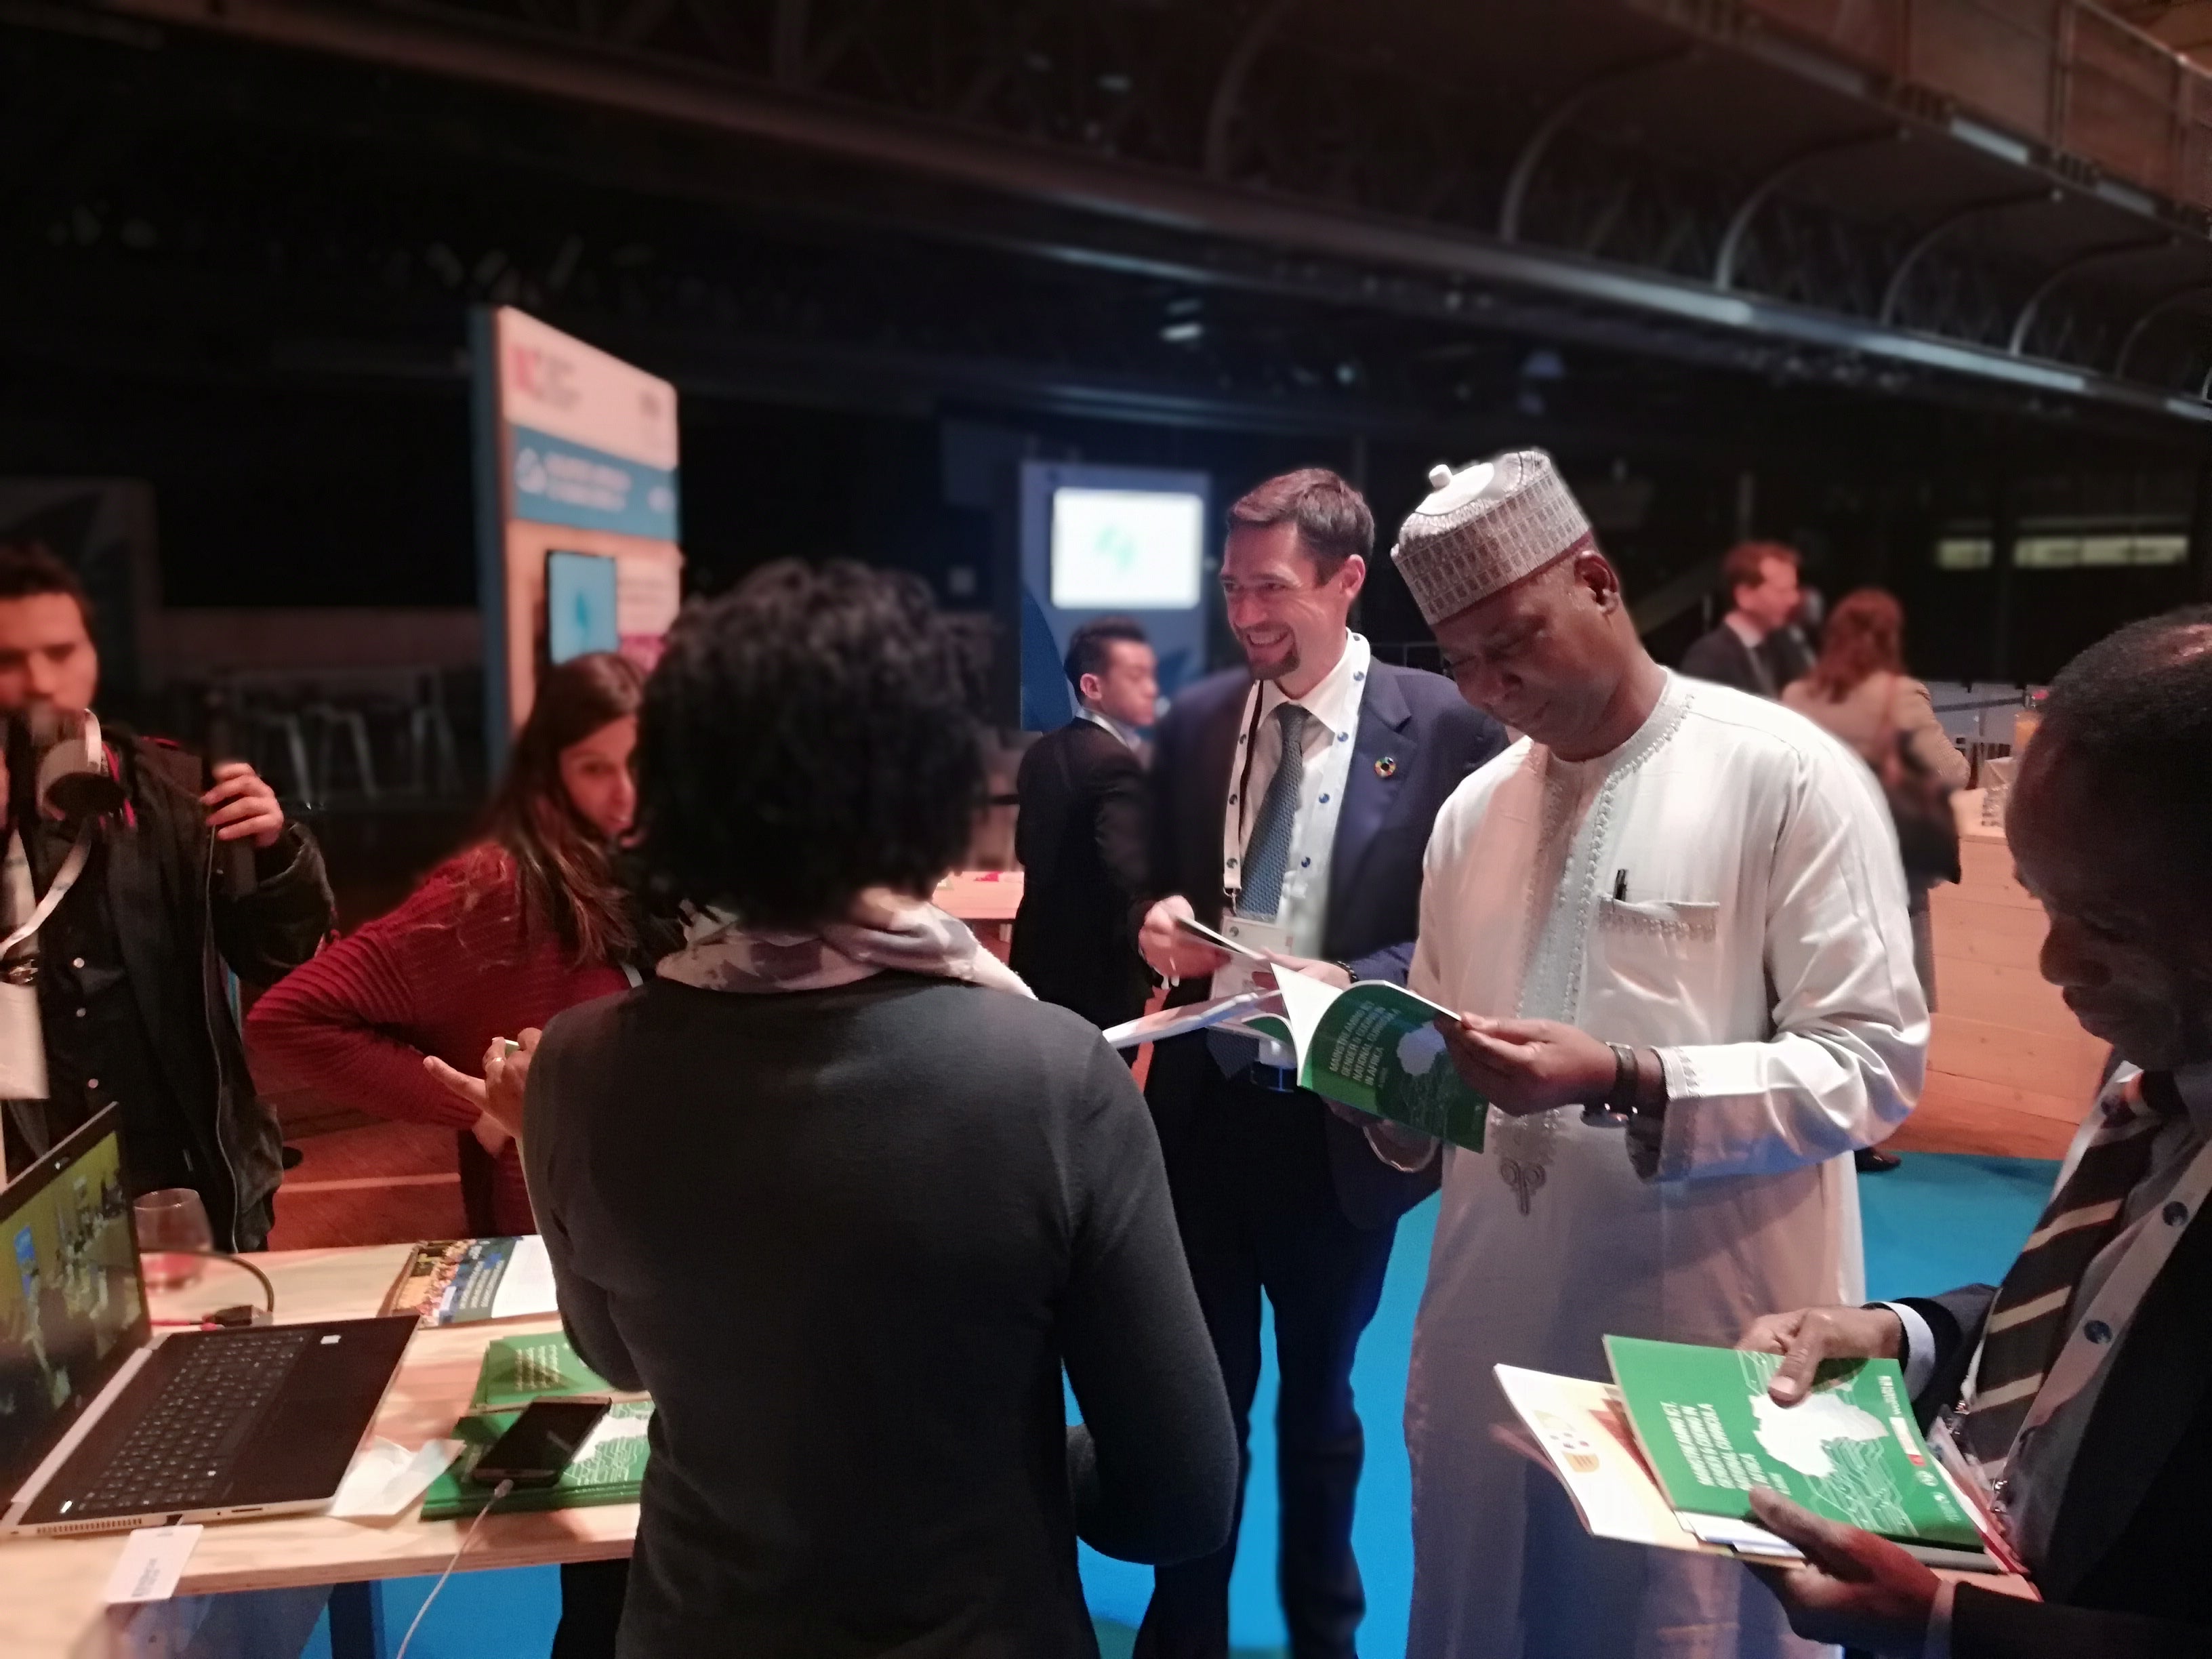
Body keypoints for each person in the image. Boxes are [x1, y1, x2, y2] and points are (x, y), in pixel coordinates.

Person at [499, 560, 1235, 1658]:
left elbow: (615, 1358)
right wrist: (1026, 1463)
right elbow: (1178, 1493)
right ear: (925, 792)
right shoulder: (1050, 1075)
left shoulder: (575, 1067)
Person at [1373, 451, 1926, 1659]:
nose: (1490, 683)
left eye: (1509, 641)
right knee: (1482, 1613)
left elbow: (1874, 1064)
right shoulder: (1471, 809)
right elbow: (1437, 1044)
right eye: (1458, 661)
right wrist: (1366, 1067)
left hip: (1701, 1341)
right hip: (1484, 1329)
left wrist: (1628, 1074)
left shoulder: (1781, 772)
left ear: (1598, 580)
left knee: (1674, 1626)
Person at [1738, 607, 2212, 1658]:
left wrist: (1950, 1628)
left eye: (2111, 926)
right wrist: (1906, 1338)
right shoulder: (2162, 1059)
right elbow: (2121, 1319)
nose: (2051, 966)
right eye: (2044, 901)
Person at [1133, 468, 1507, 1659]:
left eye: (1272, 588)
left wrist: (1362, 976)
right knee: (1200, 1398)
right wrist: (1156, 918)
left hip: (1339, 1116)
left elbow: (1476, 921)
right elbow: (1155, 882)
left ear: (1348, 581)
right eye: (1231, 586)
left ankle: (1322, 1630)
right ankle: (1180, 1628)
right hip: (1202, 1111)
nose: (1246, 614)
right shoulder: (1196, 720)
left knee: (1319, 1403)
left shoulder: (1443, 725)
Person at [0, 541, 331, 1249]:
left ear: (93, 652)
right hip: (27, 1182)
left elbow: (282, 956)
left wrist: (275, 853)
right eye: (9, 660)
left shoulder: (176, 789)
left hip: (181, 1175)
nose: (40, 680)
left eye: (61, 652)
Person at [247, 652, 645, 1238]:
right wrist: (482, 1109)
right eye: (594, 768)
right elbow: (290, 1017)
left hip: (674, 1224)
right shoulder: (503, 890)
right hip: (565, 1245)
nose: (626, 795)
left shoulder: (672, 876)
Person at [1783, 588, 1968, 1006]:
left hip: (1817, 858)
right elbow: (1951, 772)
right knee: (1901, 998)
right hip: (1893, 863)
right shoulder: (1900, 694)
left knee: (1828, 987)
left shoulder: (1798, 695)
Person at [1010, 616, 1155, 1033]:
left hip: (1034, 955)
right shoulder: (1115, 762)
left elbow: (1028, 849)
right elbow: (1130, 874)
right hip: (1099, 973)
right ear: (1092, 687)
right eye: (1135, 676)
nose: (1151, 688)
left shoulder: (1042, 751)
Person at [1681, 541, 1814, 697]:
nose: (1795, 599)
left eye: (1794, 588)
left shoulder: (1784, 643)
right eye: (1782, 591)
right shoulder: (1708, 658)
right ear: (1745, 596)